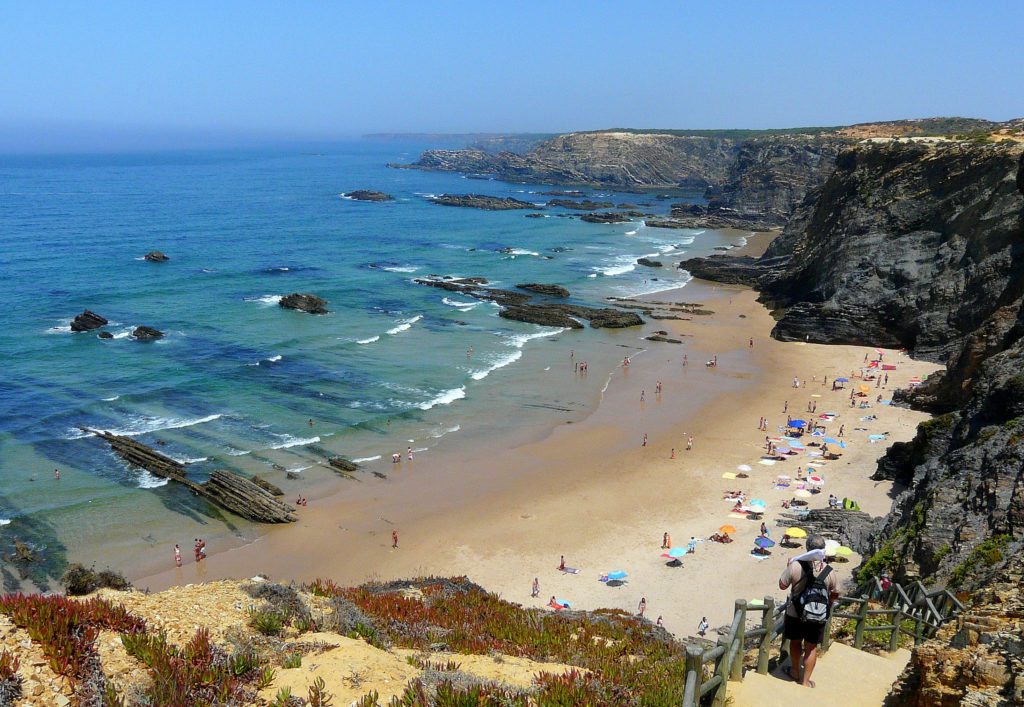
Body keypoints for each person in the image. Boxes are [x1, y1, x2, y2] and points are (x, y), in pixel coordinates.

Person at [778, 536, 840, 688]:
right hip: (817, 615)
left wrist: (789, 566)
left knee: (795, 641)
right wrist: (829, 603)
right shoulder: (829, 571)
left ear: (807, 548)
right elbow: (836, 591)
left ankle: (795, 671)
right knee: (812, 647)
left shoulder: (795, 566)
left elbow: (782, 585)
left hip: (795, 613)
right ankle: (805, 682)